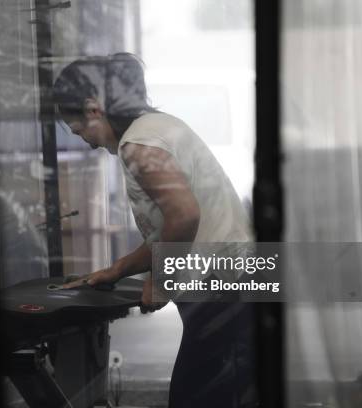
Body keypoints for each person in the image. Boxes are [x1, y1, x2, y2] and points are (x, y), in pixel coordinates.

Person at [53, 53, 257, 408]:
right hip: (236, 280)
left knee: (198, 399)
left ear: (93, 108)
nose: (86, 141)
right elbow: (172, 231)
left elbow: (184, 216)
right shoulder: (156, 127)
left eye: (79, 129)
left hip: (225, 286)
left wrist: (160, 281)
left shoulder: (140, 146)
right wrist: (119, 268)